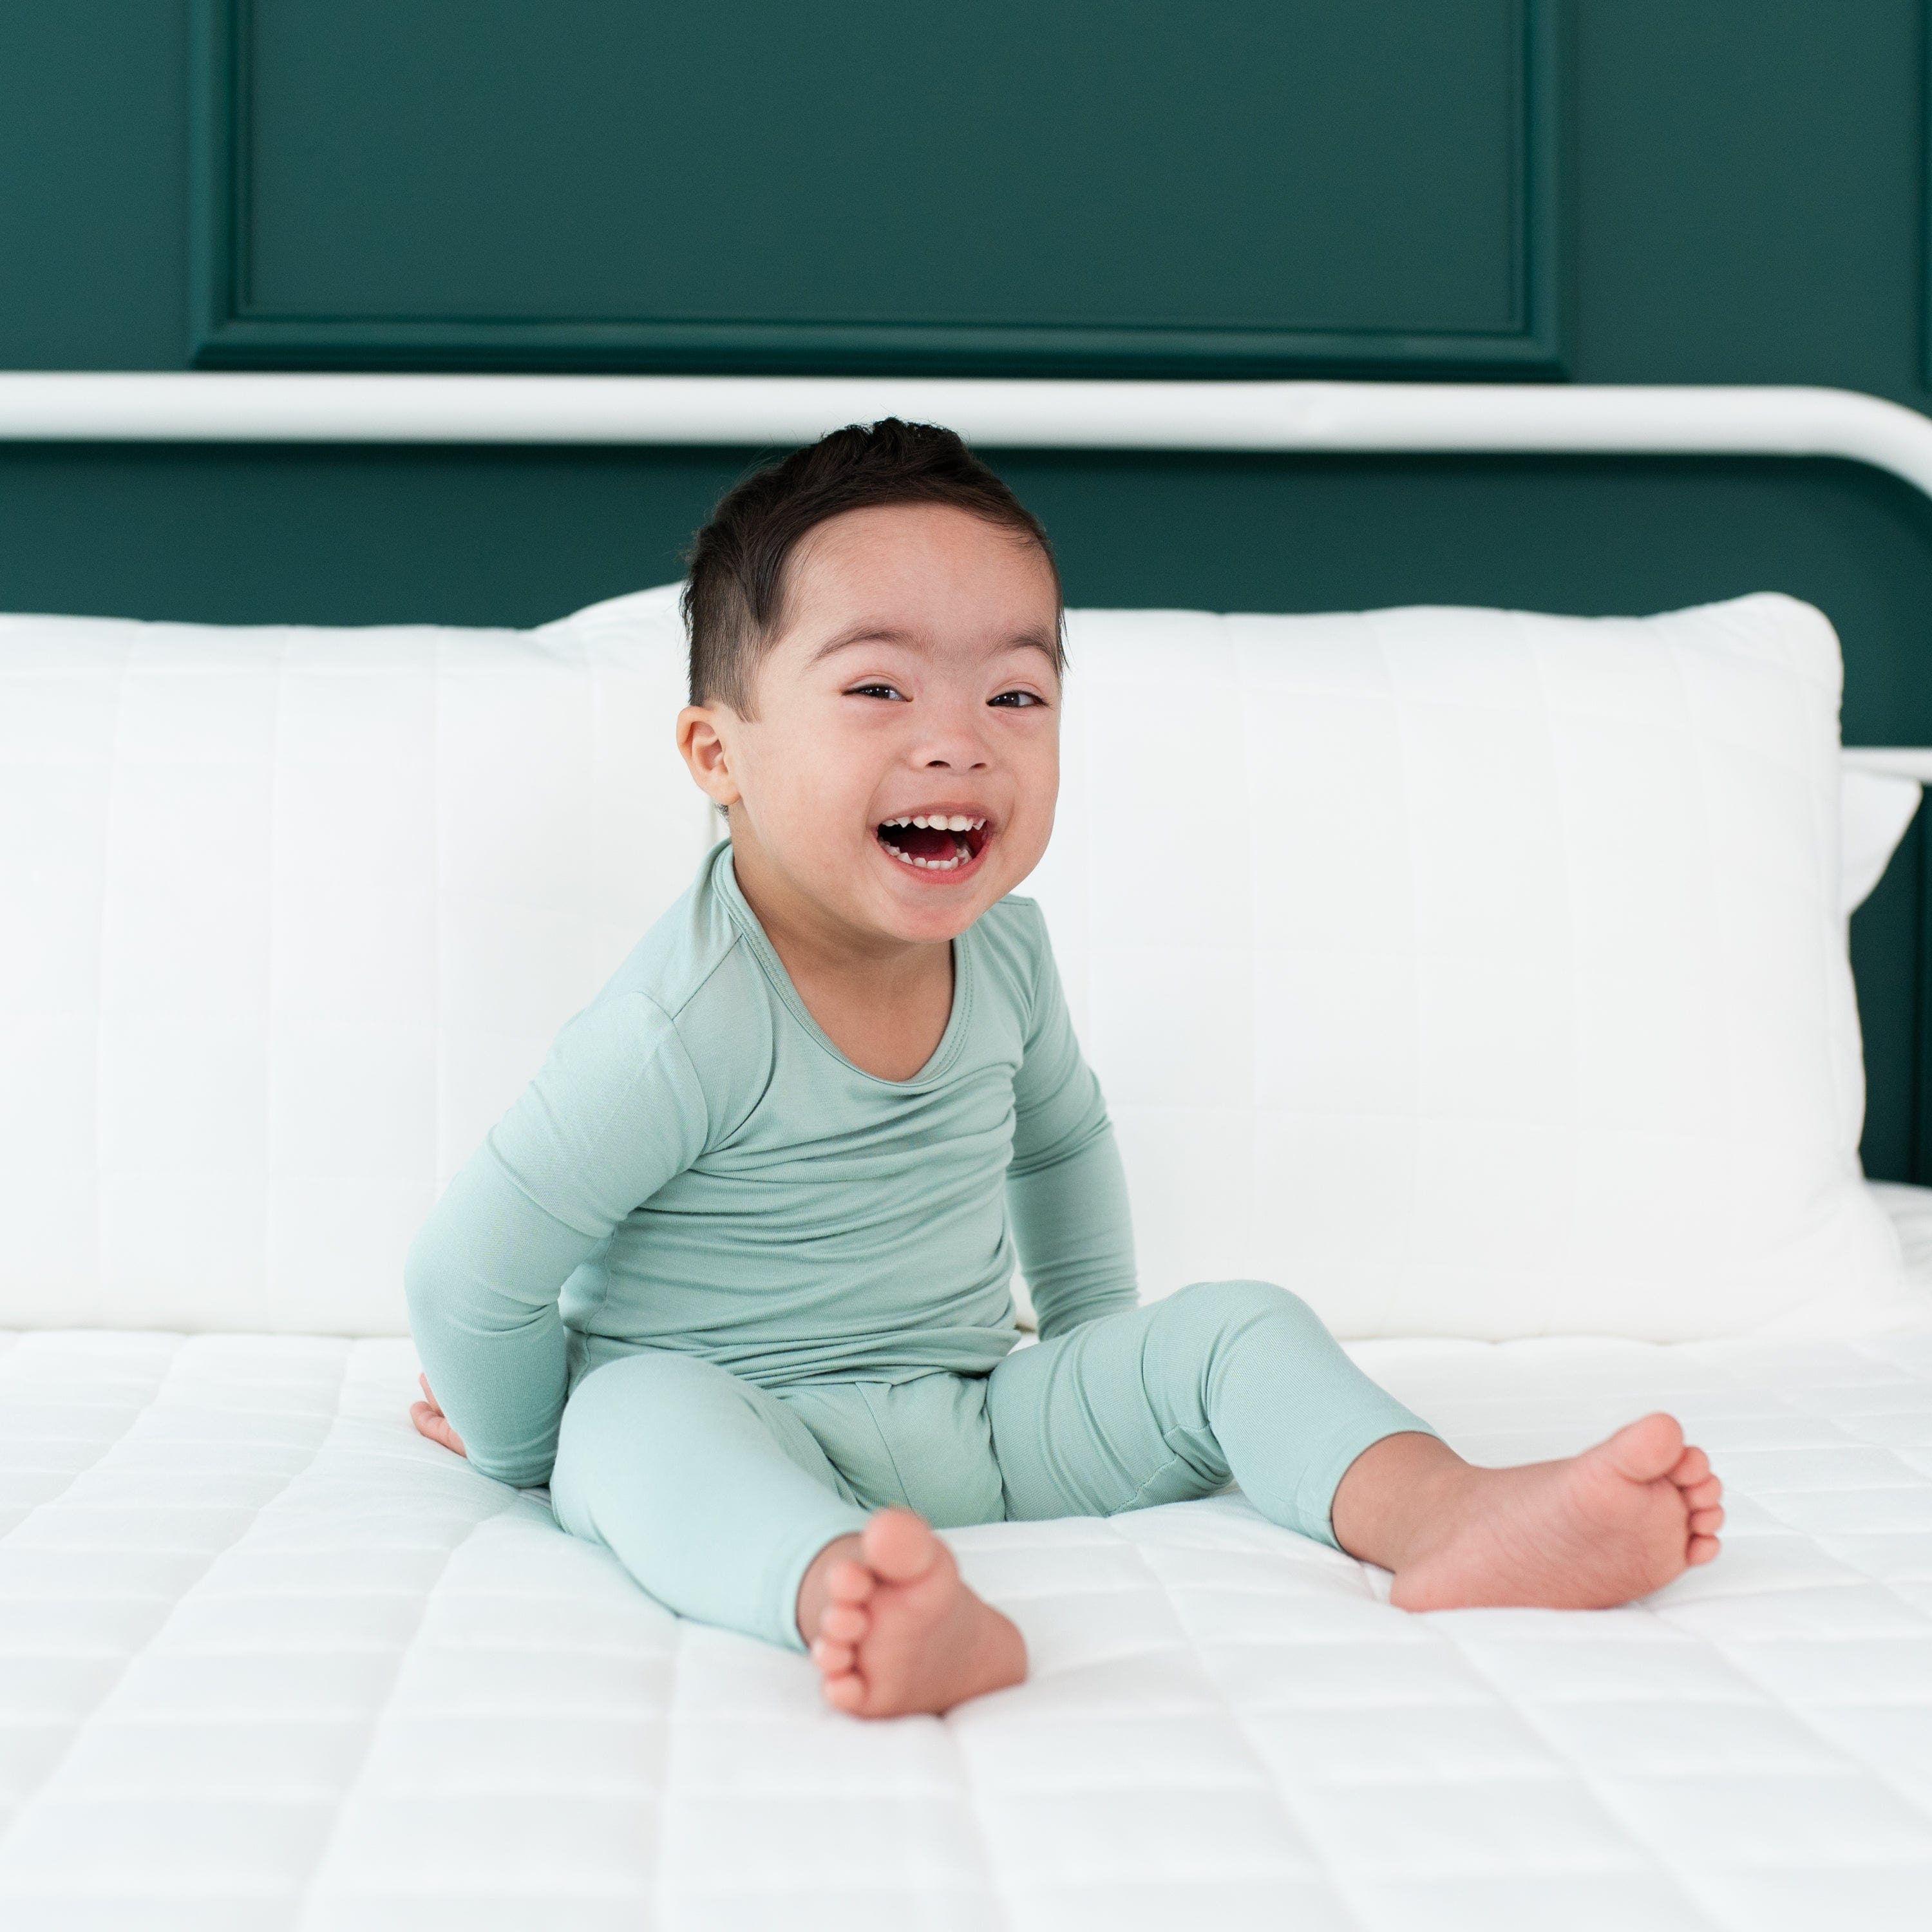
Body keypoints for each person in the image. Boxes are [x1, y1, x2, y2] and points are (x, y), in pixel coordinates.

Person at [404, 419, 1725, 1719]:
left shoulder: (1007, 954)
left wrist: (1105, 1361)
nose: (960, 740)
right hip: (743, 1413)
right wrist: (532, 1448)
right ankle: (858, 1596)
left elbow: (1062, 1144)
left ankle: (1450, 1512)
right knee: (635, 1424)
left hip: (974, 1414)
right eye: (878, 688)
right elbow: (470, 1274)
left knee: (1240, 1327)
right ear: (719, 757)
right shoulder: (685, 1022)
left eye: (1016, 694)